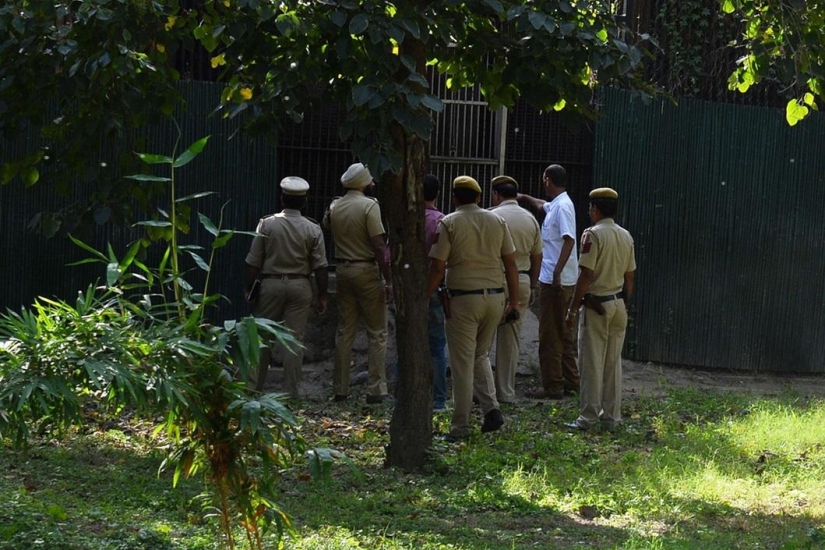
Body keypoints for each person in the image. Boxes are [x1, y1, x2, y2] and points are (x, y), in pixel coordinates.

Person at [426, 175, 519, 439]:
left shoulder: (449, 223)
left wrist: (424, 295)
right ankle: (491, 409)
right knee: (479, 355)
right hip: (495, 298)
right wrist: (514, 300)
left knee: (461, 362)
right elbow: (511, 263)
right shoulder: (497, 221)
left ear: (455, 197)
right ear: (479, 197)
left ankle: (461, 426)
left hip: (463, 300)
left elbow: (438, 266)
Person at [244, 176, 329, 398]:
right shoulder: (313, 228)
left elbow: (254, 261)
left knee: (262, 336)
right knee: (294, 340)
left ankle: (253, 388)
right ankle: (290, 392)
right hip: (300, 284)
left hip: (270, 283)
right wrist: (322, 295)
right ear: (305, 202)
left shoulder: (267, 223)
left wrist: (249, 287)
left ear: (282, 199)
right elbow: (321, 266)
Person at [564, 187, 636, 431]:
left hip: (597, 305)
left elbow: (586, 274)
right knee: (613, 363)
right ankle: (611, 417)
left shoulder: (592, 235)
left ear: (595, 209)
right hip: (618, 304)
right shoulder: (626, 235)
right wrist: (625, 303)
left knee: (591, 362)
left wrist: (573, 308)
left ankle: (588, 417)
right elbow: (630, 277)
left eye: (590, 207)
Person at [326, 163, 392, 404]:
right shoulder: (369, 206)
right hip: (366, 270)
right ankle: (376, 389)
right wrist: (388, 278)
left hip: (342, 269)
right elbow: (378, 245)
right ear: (364, 183)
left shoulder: (335, 205)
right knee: (377, 332)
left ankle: (340, 389)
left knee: (345, 331)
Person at [518, 164, 580, 400]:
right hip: (563, 279)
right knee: (563, 332)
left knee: (550, 334)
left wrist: (556, 272)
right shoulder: (559, 203)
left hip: (557, 281)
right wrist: (524, 197)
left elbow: (569, 240)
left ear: (547, 180)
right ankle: (571, 381)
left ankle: (553, 385)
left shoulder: (563, 207)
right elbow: (543, 205)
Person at [488, 175, 541, 404]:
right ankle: (506, 393)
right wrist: (533, 283)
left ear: (496, 195)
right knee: (510, 341)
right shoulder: (530, 219)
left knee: (482, 340)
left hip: (494, 282)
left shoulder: (491, 217)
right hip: (521, 281)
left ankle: (481, 391)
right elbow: (537, 256)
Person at [424, 174, 449, 412]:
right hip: (434, 289)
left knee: (407, 341)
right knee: (438, 345)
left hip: (410, 288)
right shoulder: (441, 221)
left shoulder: (408, 219)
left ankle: (403, 393)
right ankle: (439, 399)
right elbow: (442, 262)